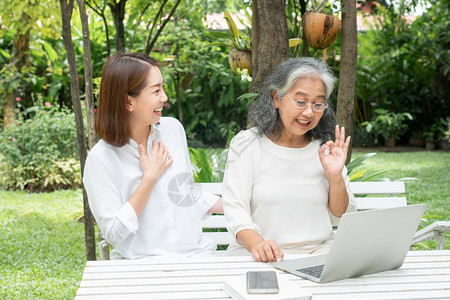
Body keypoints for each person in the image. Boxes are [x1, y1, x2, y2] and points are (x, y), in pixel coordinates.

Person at [83, 52, 222, 259]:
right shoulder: (101, 159)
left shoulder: (172, 130)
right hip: (143, 267)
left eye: (163, 88)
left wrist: (239, 205)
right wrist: (149, 178)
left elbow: (183, 192)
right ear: (128, 102)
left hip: (197, 257)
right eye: (156, 91)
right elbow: (113, 233)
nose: (164, 98)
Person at [222, 57, 357, 262]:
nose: (309, 112)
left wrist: (335, 176)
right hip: (259, 256)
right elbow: (235, 210)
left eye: (318, 103)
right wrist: (258, 244)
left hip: (319, 254)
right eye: (301, 101)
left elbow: (339, 217)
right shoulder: (247, 143)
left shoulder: (325, 147)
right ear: (277, 98)